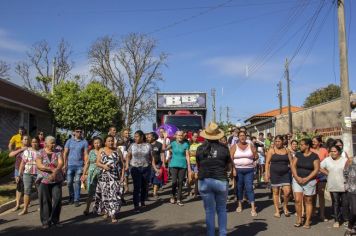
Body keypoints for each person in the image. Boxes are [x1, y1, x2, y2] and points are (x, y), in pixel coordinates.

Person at [196, 122, 231, 236]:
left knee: (209, 211)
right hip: (220, 180)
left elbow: (198, 165)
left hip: (204, 181)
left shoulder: (200, 148)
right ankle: (222, 234)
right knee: (221, 209)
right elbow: (228, 166)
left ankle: (210, 234)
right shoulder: (224, 148)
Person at [93, 135, 124, 223]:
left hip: (114, 176)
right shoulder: (101, 150)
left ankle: (113, 214)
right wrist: (104, 166)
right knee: (105, 195)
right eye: (108, 141)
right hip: (103, 176)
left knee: (113, 195)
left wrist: (122, 176)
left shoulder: (117, 150)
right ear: (105, 142)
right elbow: (97, 163)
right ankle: (106, 211)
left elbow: (122, 164)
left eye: (112, 141)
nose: (110, 142)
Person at [36, 136, 64, 228]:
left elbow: (60, 163)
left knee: (57, 199)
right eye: (51, 143)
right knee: (45, 201)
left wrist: (55, 172)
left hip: (56, 179)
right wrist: (51, 169)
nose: (54, 144)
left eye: (54, 142)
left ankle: (55, 220)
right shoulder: (40, 152)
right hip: (44, 180)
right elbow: (39, 165)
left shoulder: (58, 152)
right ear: (46, 143)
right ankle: (45, 222)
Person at [291, 138, 320, 229]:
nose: (300, 146)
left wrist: (307, 178)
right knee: (297, 200)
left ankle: (307, 221)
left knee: (308, 201)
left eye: (302, 144)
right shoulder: (298, 154)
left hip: (310, 181)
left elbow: (316, 169)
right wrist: (296, 177)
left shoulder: (314, 156)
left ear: (307, 146)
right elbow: (293, 165)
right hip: (297, 180)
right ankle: (299, 219)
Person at [320, 145, 349, 228]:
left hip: (343, 184)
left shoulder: (344, 160)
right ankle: (336, 220)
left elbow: (349, 170)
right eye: (331, 151)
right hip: (333, 184)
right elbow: (319, 166)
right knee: (335, 203)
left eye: (335, 151)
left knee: (345, 203)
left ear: (339, 152)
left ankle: (346, 219)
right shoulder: (327, 160)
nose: (333, 153)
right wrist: (327, 173)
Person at [231, 131, 258, 216]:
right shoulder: (234, 146)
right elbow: (231, 159)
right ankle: (239, 205)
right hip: (238, 170)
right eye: (240, 136)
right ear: (238, 137)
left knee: (249, 187)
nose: (242, 137)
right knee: (239, 188)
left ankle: (253, 208)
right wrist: (233, 169)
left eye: (244, 135)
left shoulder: (250, 145)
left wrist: (254, 161)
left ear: (246, 136)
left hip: (249, 170)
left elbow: (256, 155)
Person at [126, 130, 154, 213]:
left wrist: (154, 167)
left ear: (142, 137)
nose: (135, 138)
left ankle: (142, 201)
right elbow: (128, 156)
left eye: (137, 136)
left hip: (146, 167)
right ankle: (136, 205)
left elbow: (151, 157)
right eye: (134, 136)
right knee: (137, 186)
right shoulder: (132, 145)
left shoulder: (148, 145)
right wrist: (127, 165)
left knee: (145, 186)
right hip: (135, 168)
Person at [265, 135, 292, 218]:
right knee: (275, 192)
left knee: (287, 192)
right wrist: (267, 173)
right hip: (274, 174)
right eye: (276, 141)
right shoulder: (271, 150)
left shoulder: (287, 150)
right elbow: (267, 163)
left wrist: (293, 172)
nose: (277, 143)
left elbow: (291, 162)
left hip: (285, 173)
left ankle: (285, 206)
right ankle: (277, 210)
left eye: (279, 141)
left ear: (282, 141)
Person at [163, 130, 191, 206]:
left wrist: (189, 167)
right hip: (173, 165)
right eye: (178, 135)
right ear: (175, 136)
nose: (180, 137)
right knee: (174, 181)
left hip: (183, 165)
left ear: (183, 136)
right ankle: (172, 196)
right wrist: (165, 139)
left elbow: (187, 156)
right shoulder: (173, 143)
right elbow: (164, 149)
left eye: (181, 135)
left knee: (180, 182)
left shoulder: (186, 144)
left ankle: (179, 199)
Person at [63, 127, 89, 207]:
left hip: (79, 165)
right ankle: (71, 196)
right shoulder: (69, 141)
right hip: (70, 165)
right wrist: (65, 164)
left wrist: (85, 165)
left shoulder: (84, 142)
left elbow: (85, 154)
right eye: (77, 131)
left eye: (80, 132)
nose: (79, 133)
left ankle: (76, 199)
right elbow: (65, 153)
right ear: (74, 132)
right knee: (69, 183)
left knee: (77, 182)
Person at [17, 137, 41, 215]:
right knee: (27, 191)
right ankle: (25, 209)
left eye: (36, 142)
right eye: (33, 142)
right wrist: (19, 174)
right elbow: (22, 163)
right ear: (31, 143)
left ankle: (41, 206)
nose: (34, 143)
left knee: (40, 191)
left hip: (39, 174)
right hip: (27, 173)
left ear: (38, 143)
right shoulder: (26, 152)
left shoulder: (41, 152)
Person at [9, 135, 30, 212]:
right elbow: (10, 155)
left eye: (27, 139)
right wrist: (20, 150)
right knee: (18, 186)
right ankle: (17, 204)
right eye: (25, 139)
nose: (26, 140)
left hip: (27, 170)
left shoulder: (30, 149)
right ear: (22, 141)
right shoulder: (18, 148)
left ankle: (26, 203)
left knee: (26, 187)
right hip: (18, 169)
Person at [81, 136, 102, 215]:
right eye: (95, 143)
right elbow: (87, 163)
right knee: (90, 193)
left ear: (101, 143)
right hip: (92, 174)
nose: (97, 144)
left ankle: (99, 208)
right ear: (93, 144)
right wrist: (84, 174)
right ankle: (87, 208)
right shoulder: (91, 152)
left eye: (98, 143)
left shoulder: (103, 151)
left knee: (100, 192)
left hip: (101, 173)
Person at [311, 135, 329, 222]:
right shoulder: (310, 150)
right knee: (313, 194)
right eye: (312, 141)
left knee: (321, 195)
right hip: (311, 175)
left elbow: (328, 162)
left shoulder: (324, 150)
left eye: (314, 141)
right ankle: (313, 211)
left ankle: (322, 214)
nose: (313, 143)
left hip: (322, 176)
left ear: (319, 142)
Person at [147, 132, 164, 199]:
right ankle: (146, 193)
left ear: (153, 137)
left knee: (156, 178)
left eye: (149, 137)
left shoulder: (159, 144)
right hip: (148, 165)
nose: (148, 138)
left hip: (157, 164)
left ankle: (154, 193)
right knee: (149, 179)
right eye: (147, 137)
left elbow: (162, 154)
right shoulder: (146, 145)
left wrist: (163, 164)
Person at [344, 155, 356, 236]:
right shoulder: (351, 160)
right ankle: (350, 226)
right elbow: (345, 172)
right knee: (354, 211)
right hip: (353, 189)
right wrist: (346, 184)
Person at [188, 132, 202, 198]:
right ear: (192, 137)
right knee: (190, 179)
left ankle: (196, 192)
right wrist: (194, 153)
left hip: (197, 163)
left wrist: (193, 153)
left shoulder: (200, 144)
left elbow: (200, 154)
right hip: (190, 163)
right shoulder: (189, 144)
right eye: (194, 136)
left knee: (196, 178)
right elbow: (187, 154)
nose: (196, 138)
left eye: (197, 137)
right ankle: (190, 190)